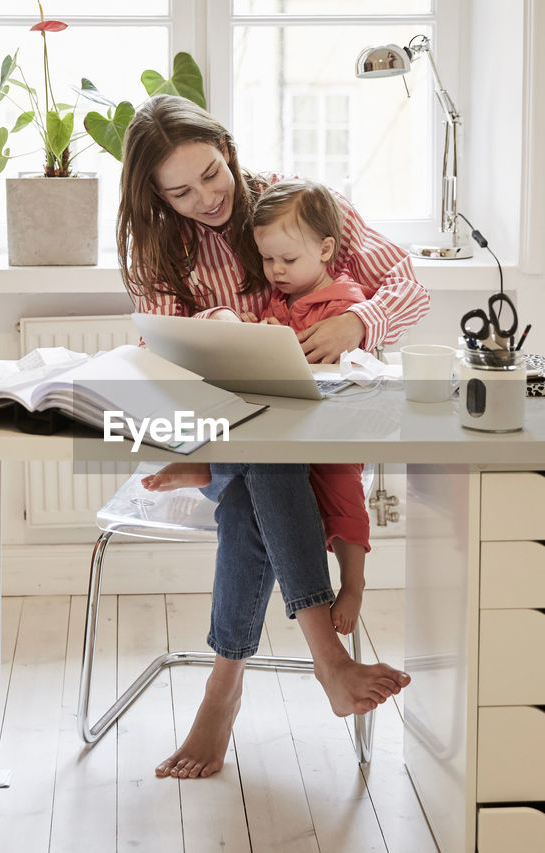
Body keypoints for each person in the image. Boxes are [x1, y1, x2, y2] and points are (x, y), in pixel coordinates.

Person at [117, 94, 428, 780]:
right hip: (229, 430)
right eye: (180, 190)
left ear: (227, 148)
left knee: (256, 481)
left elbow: (408, 283)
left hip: (308, 432)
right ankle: (328, 659)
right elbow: (163, 358)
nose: (205, 196)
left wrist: (361, 322)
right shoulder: (159, 253)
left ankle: (222, 689)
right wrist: (220, 338)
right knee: (260, 462)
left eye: (211, 171)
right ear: (155, 196)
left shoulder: (297, 203)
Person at [144, 178, 372, 635]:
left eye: (287, 259)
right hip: (282, 433)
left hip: (328, 436)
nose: (275, 270)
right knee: (253, 444)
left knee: (344, 502)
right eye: (267, 260)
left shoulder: (345, 304)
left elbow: (357, 371)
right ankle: (207, 464)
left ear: (326, 250)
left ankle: (353, 583)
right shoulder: (280, 298)